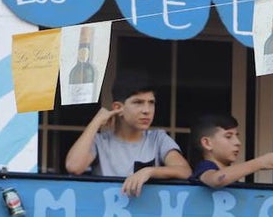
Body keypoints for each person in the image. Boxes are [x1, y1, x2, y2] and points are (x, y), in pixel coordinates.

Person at [64, 69, 191, 197]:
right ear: (118, 108)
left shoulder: (158, 138)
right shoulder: (100, 142)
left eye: (151, 103)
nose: (147, 110)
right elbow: (74, 167)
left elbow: (185, 171)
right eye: (138, 102)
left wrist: (149, 171)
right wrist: (96, 122)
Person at [189, 113, 273, 187]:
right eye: (228, 137)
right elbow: (217, 180)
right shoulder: (205, 167)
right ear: (207, 143)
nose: (238, 142)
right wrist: (260, 162)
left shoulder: (230, 174)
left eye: (237, 136)